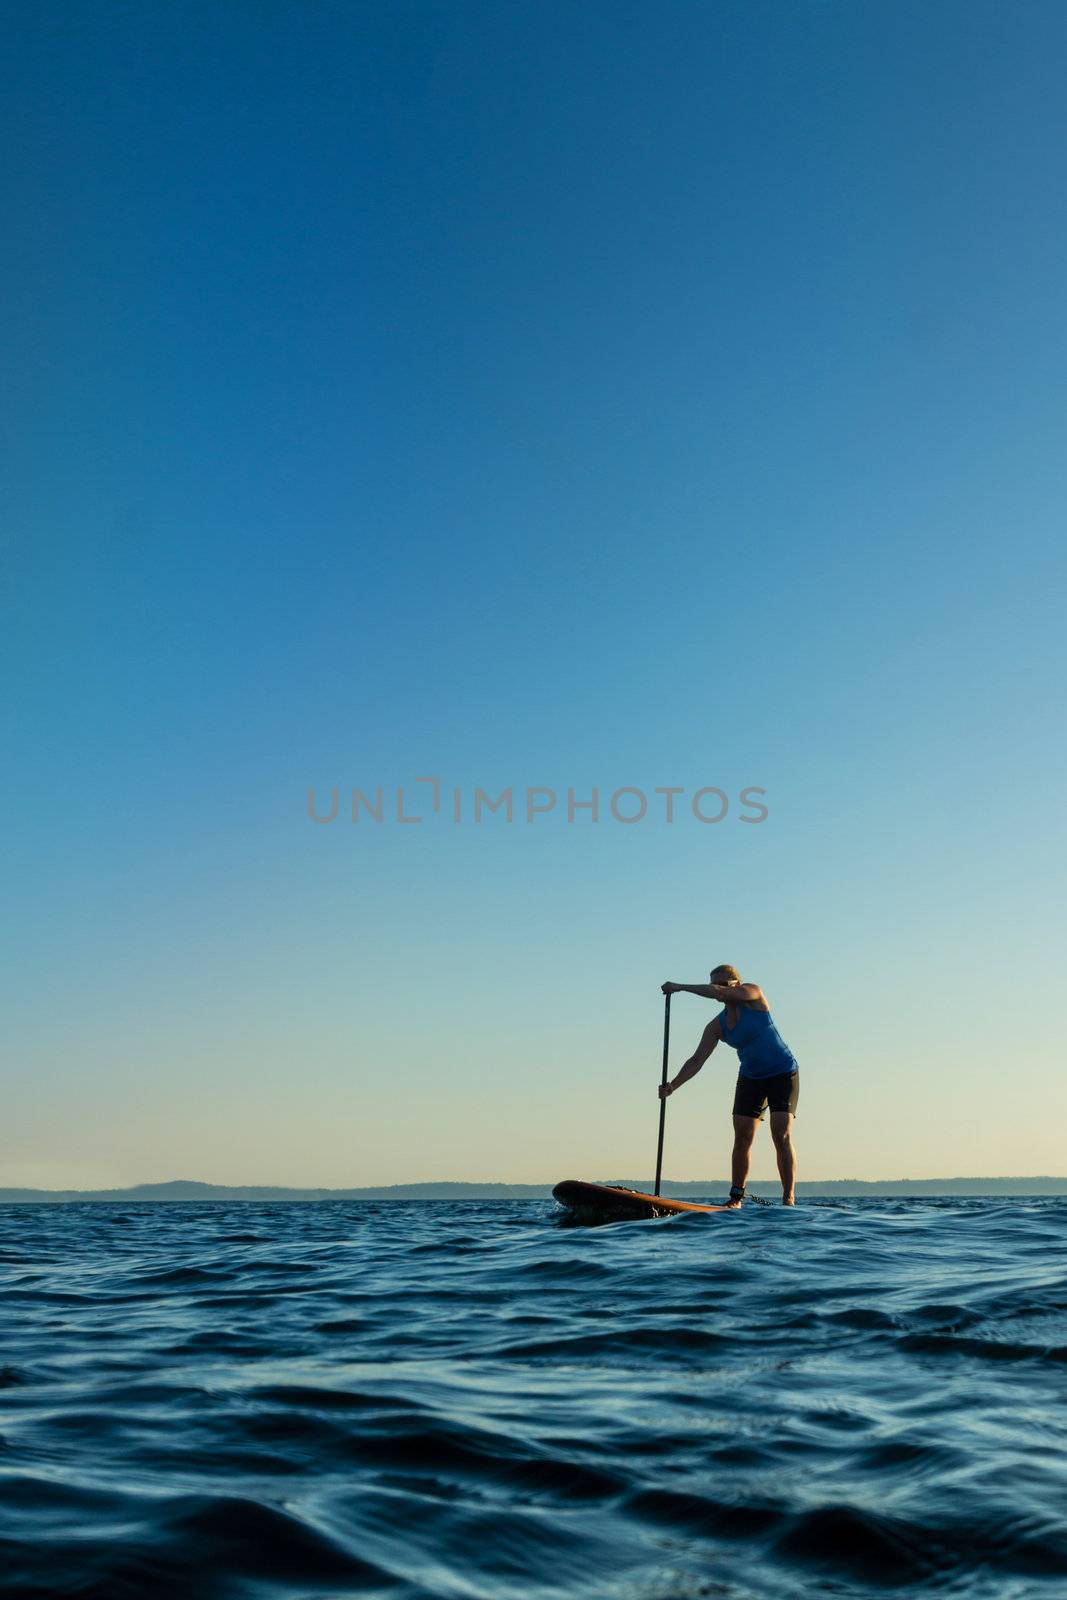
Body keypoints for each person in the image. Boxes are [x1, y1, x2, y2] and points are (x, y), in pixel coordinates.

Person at [658, 965, 798, 1206]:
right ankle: (736, 1198)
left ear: (737, 984)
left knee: (781, 1133)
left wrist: (680, 987)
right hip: (751, 1077)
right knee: (742, 1137)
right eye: (716, 984)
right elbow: (696, 1060)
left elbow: (720, 994)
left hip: (782, 1073)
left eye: (725, 984)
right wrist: (672, 1085)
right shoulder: (717, 1026)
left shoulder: (753, 995)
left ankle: (788, 1198)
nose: (719, 989)